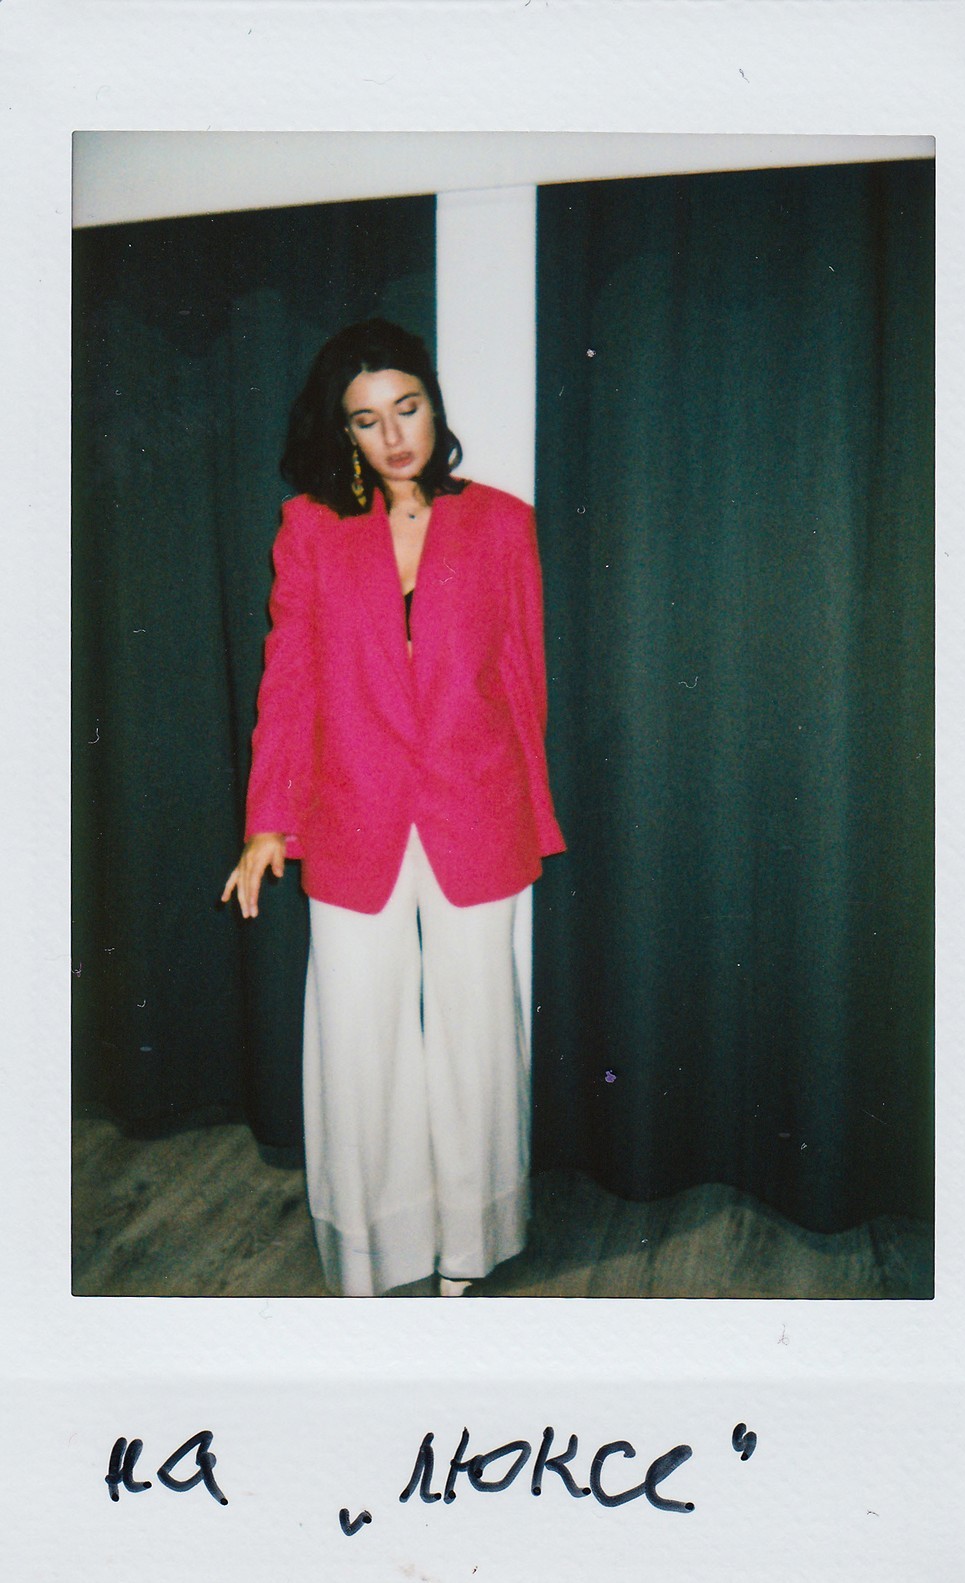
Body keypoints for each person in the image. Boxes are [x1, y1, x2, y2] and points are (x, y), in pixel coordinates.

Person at [222, 318, 564, 1297]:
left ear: (432, 403)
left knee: (477, 1033)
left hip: (477, 806)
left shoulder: (502, 522)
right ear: (343, 432)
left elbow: (523, 680)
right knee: (355, 1037)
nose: (393, 434)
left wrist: (533, 813)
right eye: (366, 419)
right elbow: (288, 682)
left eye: (406, 407)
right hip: (350, 811)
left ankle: (472, 1241)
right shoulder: (310, 529)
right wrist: (267, 820)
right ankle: (377, 1245)